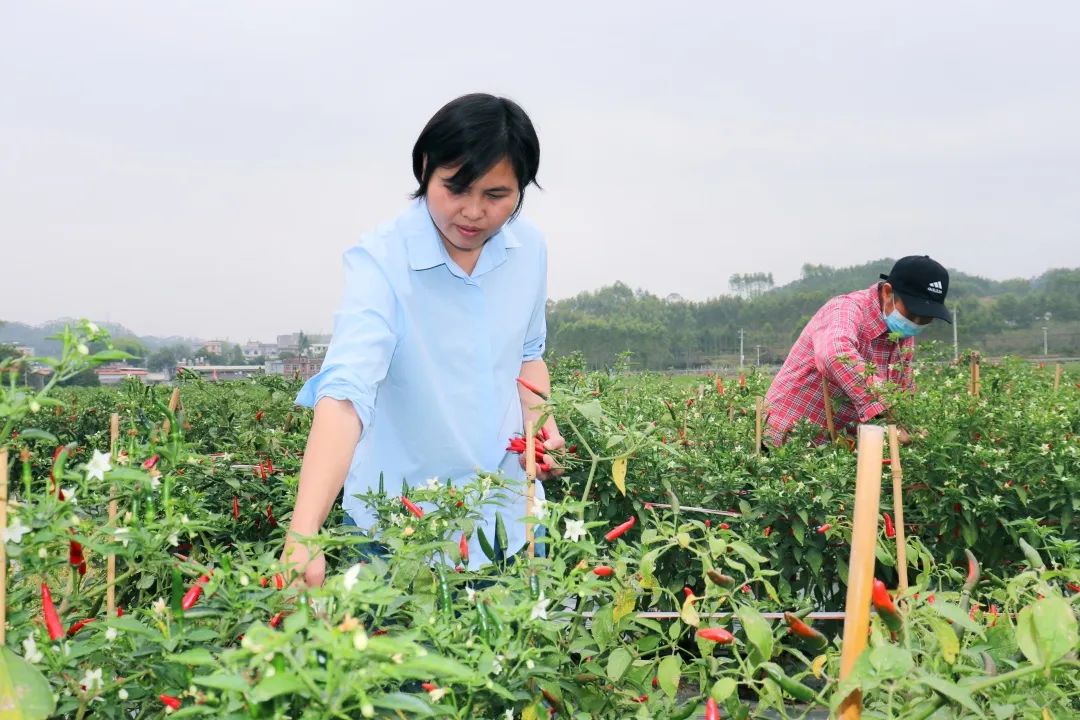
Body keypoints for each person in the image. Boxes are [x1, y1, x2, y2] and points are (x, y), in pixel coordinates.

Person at [281, 93, 563, 587]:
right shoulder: (381, 261)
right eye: (456, 189)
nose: (474, 212)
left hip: (509, 523)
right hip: (399, 533)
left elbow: (528, 354)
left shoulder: (530, 249)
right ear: (425, 169)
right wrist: (304, 535)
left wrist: (539, 426)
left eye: (496, 196)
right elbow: (346, 393)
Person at [764, 255, 952, 446]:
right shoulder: (846, 309)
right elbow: (835, 354)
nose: (916, 323)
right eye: (912, 313)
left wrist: (911, 426)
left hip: (838, 448)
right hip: (789, 439)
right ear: (887, 292)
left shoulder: (902, 336)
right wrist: (888, 410)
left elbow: (903, 391)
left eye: (926, 319)